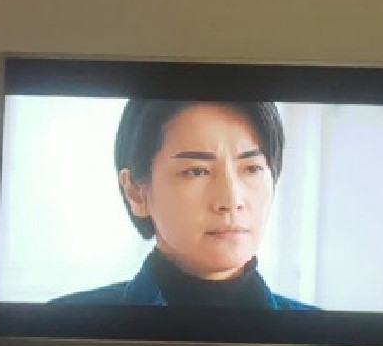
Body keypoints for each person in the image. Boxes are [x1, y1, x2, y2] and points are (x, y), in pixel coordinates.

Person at [55, 99, 315, 309]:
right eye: (196, 171)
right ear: (136, 192)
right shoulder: (66, 326)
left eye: (252, 168)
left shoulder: (320, 336)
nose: (231, 201)